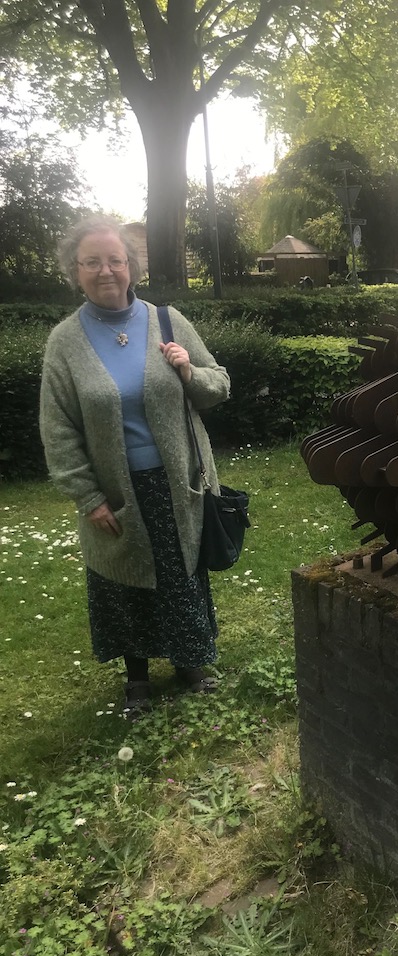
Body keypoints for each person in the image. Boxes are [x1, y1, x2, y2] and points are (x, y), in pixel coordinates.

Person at [39, 216, 231, 717]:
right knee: (124, 583)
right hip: (116, 491)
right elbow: (58, 429)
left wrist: (188, 368)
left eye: (115, 260)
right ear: (75, 272)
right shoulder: (65, 342)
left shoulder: (166, 321)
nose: (106, 271)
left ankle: (191, 663)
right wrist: (88, 497)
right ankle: (138, 681)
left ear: (132, 267)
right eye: (92, 262)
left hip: (177, 483)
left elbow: (218, 386)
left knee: (180, 575)